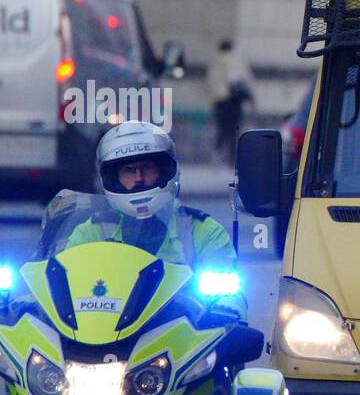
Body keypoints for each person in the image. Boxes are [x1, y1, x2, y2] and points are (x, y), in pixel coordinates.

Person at [67, 120, 246, 316]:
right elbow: (59, 287)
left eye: (147, 168)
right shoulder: (92, 232)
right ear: (111, 178)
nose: (138, 179)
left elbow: (233, 298)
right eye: (128, 171)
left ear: (165, 170)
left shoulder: (202, 232)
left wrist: (224, 313)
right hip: (102, 339)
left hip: (182, 341)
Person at [207, 39, 253, 163]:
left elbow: (211, 84)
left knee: (222, 129)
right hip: (233, 101)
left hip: (219, 101)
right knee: (234, 130)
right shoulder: (233, 60)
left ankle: (216, 154)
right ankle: (231, 159)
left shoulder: (214, 63)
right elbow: (237, 79)